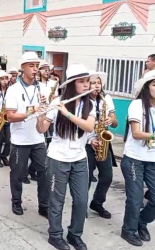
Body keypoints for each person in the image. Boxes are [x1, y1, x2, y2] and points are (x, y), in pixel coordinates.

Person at [36, 64, 96, 250]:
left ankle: (75, 234)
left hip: (79, 158)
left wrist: (67, 113)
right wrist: (42, 112)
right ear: (72, 85)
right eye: (82, 82)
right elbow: (41, 129)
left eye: (88, 81)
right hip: (58, 158)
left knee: (81, 200)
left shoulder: (90, 104)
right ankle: (55, 235)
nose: (87, 85)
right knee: (57, 199)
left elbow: (88, 127)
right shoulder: (57, 102)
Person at [5, 51, 49, 218]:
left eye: (36, 66)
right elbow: (10, 116)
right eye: (31, 66)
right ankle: (16, 201)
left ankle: (44, 205)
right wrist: (32, 112)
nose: (35, 69)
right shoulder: (14, 90)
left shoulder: (42, 88)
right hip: (19, 140)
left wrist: (44, 111)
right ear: (22, 68)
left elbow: (46, 111)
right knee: (17, 174)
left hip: (38, 138)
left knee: (45, 172)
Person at [120, 69, 155, 247]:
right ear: (146, 87)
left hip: (153, 160)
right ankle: (129, 230)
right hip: (134, 158)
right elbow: (136, 133)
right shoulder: (137, 105)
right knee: (135, 199)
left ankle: (141, 222)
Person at [86, 72, 118, 219]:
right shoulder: (83, 100)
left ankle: (97, 202)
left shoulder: (107, 98)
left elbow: (115, 121)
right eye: (93, 82)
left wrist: (111, 120)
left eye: (98, 82)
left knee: (106, 176)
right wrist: (90, 140)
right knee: (85, 178)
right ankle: (81, 205)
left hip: (103, 141)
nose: (97, 85)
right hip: (87, 142)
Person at [0, 70, 11, 168]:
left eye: (6, 79)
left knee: (9, 140)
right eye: (2, 79)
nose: (4, 81)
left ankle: (4, 155)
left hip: (7, 118)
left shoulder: (11, 92)